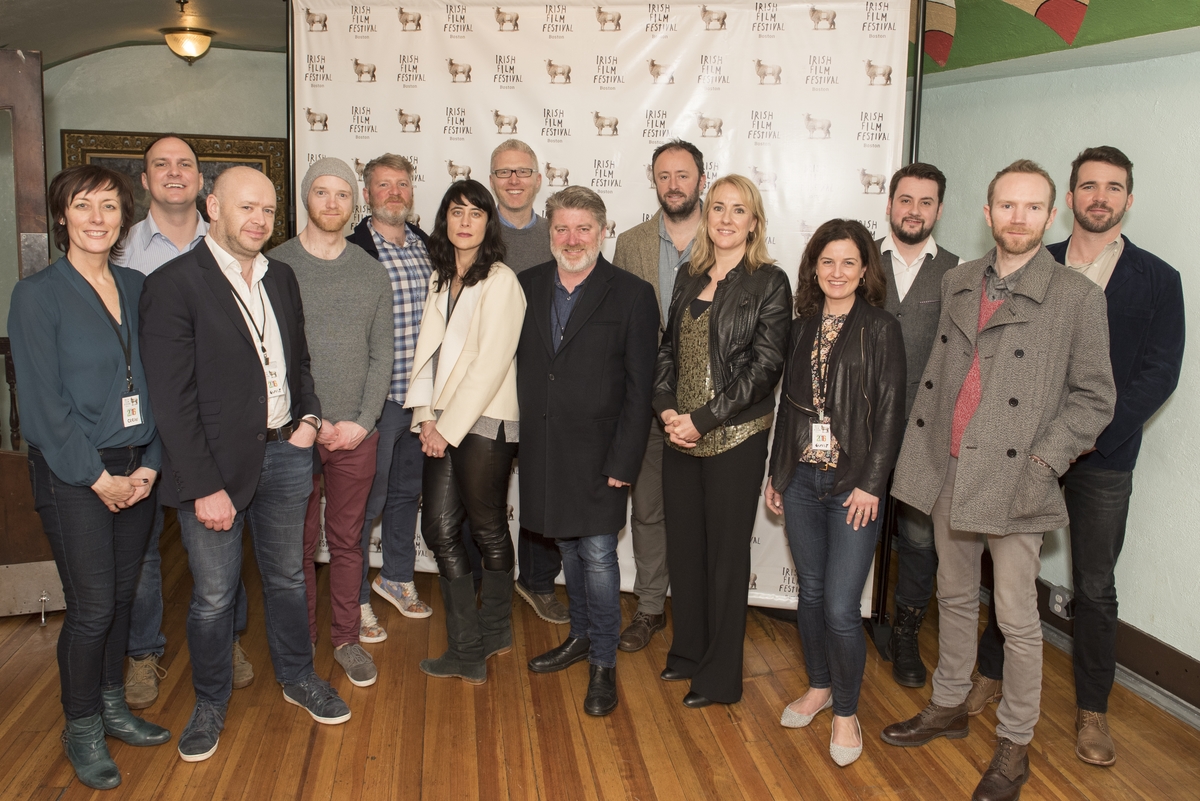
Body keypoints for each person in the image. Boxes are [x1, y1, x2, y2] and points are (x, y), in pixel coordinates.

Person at [881, 160, 1116, 801]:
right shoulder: (958, 280)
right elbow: (936, 371)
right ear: (987, 214)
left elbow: (1095, 399)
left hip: (1018, 479)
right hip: (949, 466)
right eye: (1006, 206)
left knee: (1016, 619)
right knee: (953, 598)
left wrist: (1043, 463)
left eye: (1032, 207)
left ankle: (1015, 742)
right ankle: (950, 704)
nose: (1018, 218)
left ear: (1051, 215)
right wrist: (919, 453)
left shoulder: (1076, 297)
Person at [968, 146, 1185, 768]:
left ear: (1128, 200)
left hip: (1104, 458)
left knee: (1095, 586)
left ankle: (1093, 710)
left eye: (1113, 188)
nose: (1100, 197)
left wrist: (1089, 436)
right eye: (1088, 186)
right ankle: (989, 673)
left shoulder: (1159, 280)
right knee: (1012, 570)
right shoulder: (1034, 262)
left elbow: (1159, 374)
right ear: (1068, 199)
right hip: (1023, 449)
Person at [140, 166, 351, 763]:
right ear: (214, 208)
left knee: (288, 577)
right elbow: (172, 401)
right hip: (214, 471)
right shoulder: (175, 284)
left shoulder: (281, 276)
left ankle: (297, 677)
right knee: (212, 595)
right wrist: (202, 486)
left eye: (267, 210)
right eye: (246, 207)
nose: (258, 220)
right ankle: (209, 702)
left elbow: (299, 360)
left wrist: (308, 420)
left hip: (286, 454)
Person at [9, 164, 170, 790]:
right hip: (74, 473)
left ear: (124, 218)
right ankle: (80, 726)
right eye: (84, 205)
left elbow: (160, 382)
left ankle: (110, 706)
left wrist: (153, 460)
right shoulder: (38, 295)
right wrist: (96, 477)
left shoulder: (137, 286)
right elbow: (44, 407)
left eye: (109, 206)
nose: (98, 218)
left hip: (138, 468)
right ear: (62, 217)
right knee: (93, 607)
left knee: (124, 600)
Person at [113, 134, 254, 709]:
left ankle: (227, 640)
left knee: (223, 535)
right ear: (143, 180)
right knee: (143, 549)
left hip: (210, 426)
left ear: (205, 183)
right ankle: (144, 652)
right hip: (139, 426)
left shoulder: (231, 245)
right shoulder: (117, 249)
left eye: (186, 165)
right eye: (161, 165)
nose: (175, 174)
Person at [764, 219, 905, 766]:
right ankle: (819, 687)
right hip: (801, 481)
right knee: (813, 595)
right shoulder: (800, 327)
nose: (838, 272)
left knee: (844, 608)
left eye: (849, 262)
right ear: (814, 268)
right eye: (827, 262)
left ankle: (846, 712)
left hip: (853, 489)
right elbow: (789, 407)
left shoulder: (881, 328)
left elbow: (891, 414)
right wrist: (778, 474)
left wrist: (873, 483)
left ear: (864, 268)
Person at [518, 187, 658, 716]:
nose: (571, 239)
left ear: (603, 231)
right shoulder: (526, 286)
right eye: (561, 229)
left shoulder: (632, 294)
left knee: (598, 555)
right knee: (569, 550)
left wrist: (624, 463)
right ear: (549, 232)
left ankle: (603, 661)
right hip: (546, 450)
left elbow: (639, 387)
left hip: (602, 455)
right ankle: (579, 637)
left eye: (583, 229)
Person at [653, 174, 791, 708]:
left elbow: (764, 369)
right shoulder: (689, 276)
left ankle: (719, 678)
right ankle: (688, 653)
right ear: (707, 216)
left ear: (754, 221)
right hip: (678, 433)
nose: (727, 219)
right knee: (685, 552)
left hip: (734, 435)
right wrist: (667, 410)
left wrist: (703, 419)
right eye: (718, 208)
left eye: (739, 210)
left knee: (725, 559)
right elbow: (666, 351)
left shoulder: (769, 282)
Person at [267, 158, 392, 687]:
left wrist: (362, 422)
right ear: (306, 198)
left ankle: (345, 638)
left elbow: (381, 356)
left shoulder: (370, 270)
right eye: (322, 192)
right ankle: (300, 645)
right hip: (293, 433)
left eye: (343, 194)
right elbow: (266, 354)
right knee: (293, 545)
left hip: (355, 434)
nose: (333, 204)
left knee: (347, 540)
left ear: (354, 202)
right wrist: (305, 421)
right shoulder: (273, 266)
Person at [406, 179, 526, 684]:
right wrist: (425, 418)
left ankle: (490, 633)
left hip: (486, 421)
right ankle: (471, 643)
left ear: (487, 223)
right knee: (437, 528)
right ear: (445, 219)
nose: (465, 221)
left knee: (488, 527)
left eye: (476, 213)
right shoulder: (439, 278)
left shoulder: (500, 280)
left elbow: (490, 363)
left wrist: (446, 429)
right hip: (441, 421)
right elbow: (427, 357)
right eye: (457, 212)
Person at [612, 139, 707, 653]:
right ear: (655, 182)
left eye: (683, 174)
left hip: (711, 410)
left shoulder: (726, 236)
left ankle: (699, 611)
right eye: (664, 175)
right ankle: (650, 608)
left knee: (700, 515)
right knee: (647, 510)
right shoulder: (630, 243)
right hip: (647, 402)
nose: (674, 184)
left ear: (701, 179)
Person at [877, 162, 961, 689]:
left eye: (925, 202)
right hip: (860, 427)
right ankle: (851, 616)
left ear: (939, 209)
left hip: (926, 433)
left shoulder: (960, 272)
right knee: (851, 525)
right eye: (905, 200)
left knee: (919, 538)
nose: (914, 210)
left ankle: (907, 633)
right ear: (890, 204)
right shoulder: (860, 261)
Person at [346, 154, 434, 641]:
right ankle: (354, 598)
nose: (395, 192)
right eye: (384, 185)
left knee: (405, 495)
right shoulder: (352, 247)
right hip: (374, 402)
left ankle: (397, 578)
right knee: (363, 503)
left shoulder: (425, 245)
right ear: (367, 195)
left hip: (420, 401)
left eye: (403, 183)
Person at [487, 139, 567, 626]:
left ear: (539, 179)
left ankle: (537, 582)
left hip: (544, 388)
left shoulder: (559, 234)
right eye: (504, 172)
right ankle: (488, 581)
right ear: (492, 179)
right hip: (486, 387)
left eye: (523, 172)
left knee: (543, 488)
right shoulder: (474, 230)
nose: (514, 181)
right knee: (485, 493)